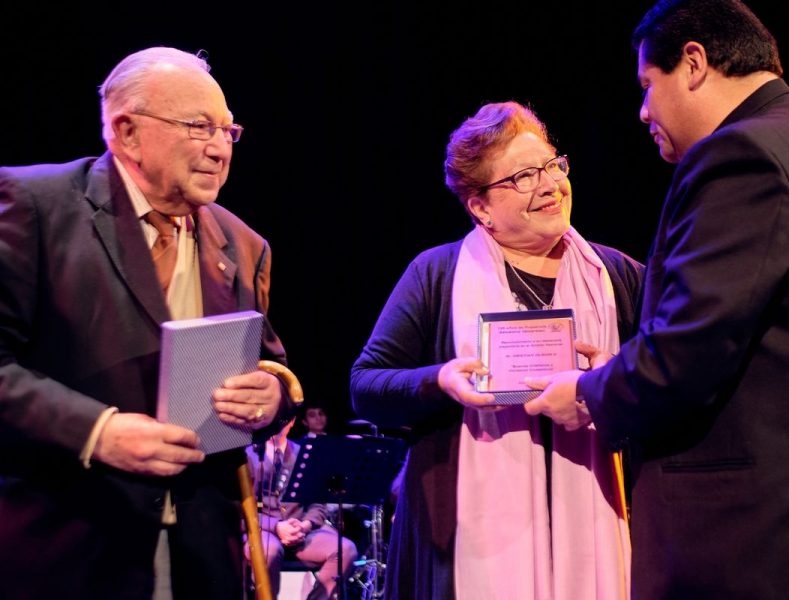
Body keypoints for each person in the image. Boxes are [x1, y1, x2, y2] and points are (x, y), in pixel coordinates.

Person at [524, 1, 789, 598]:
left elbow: (687, 351)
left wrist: (589, 394)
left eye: (649, 85)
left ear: (694, 63)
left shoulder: (743, 157)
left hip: (765, 539)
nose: (643, 109)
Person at [0, 47, 296, 599]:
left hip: (202, 553)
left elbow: (270, 366)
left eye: (228, 131)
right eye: (199, 126)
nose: (218, 149)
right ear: (127, 131)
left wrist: (270, 394)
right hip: (68, 540)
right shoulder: (35, 205)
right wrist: (98, 432)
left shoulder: (243, 243)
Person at [351, 101, 644, 599]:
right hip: (464, 538)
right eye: (524, 176)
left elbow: (667, 380)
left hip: (603, 517)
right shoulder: (436, 274)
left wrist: (612, 381)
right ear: (480, 207)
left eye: (553, 165)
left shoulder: (616, 276)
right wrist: (440, 380)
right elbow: (366, 386)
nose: (550, 184)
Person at [245, 418, 358, 599]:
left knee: (346, 549)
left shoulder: (304, 455)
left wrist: (305, 525)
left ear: (292, 421)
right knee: (268, 552)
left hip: (301, 531)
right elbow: (241, 512)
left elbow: (318, 504)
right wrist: (276, 527)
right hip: (263, 530)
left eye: (283, 418)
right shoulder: (248, 455)